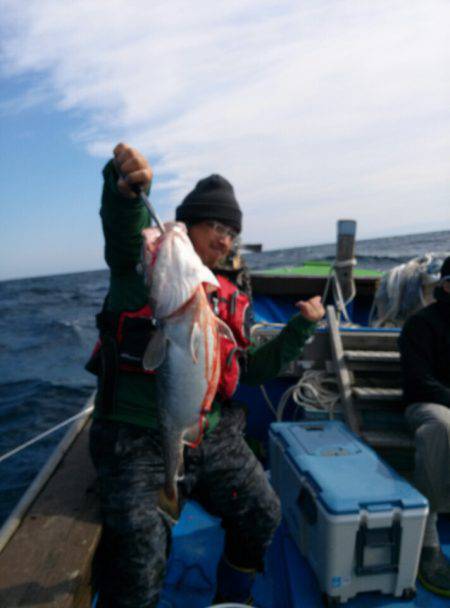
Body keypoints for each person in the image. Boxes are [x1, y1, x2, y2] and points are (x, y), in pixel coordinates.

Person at [87, 142, 325, 607]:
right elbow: (122, 231)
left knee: (263, 511)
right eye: (215, 226)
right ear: (186, 225)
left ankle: (230, 598)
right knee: (138, 558)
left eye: (232, 232)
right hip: (135, 439)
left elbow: (252, 369)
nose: (225, 240)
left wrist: (300, 329)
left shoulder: (229, 296)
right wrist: (124, 191)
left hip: (210, 432)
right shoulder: (144, 269)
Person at [399, 256, 450, 598]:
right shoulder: (421, 324)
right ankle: (428, 539)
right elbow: (419, 381)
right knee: (442, 429)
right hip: (429, 404)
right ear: (446, 285)